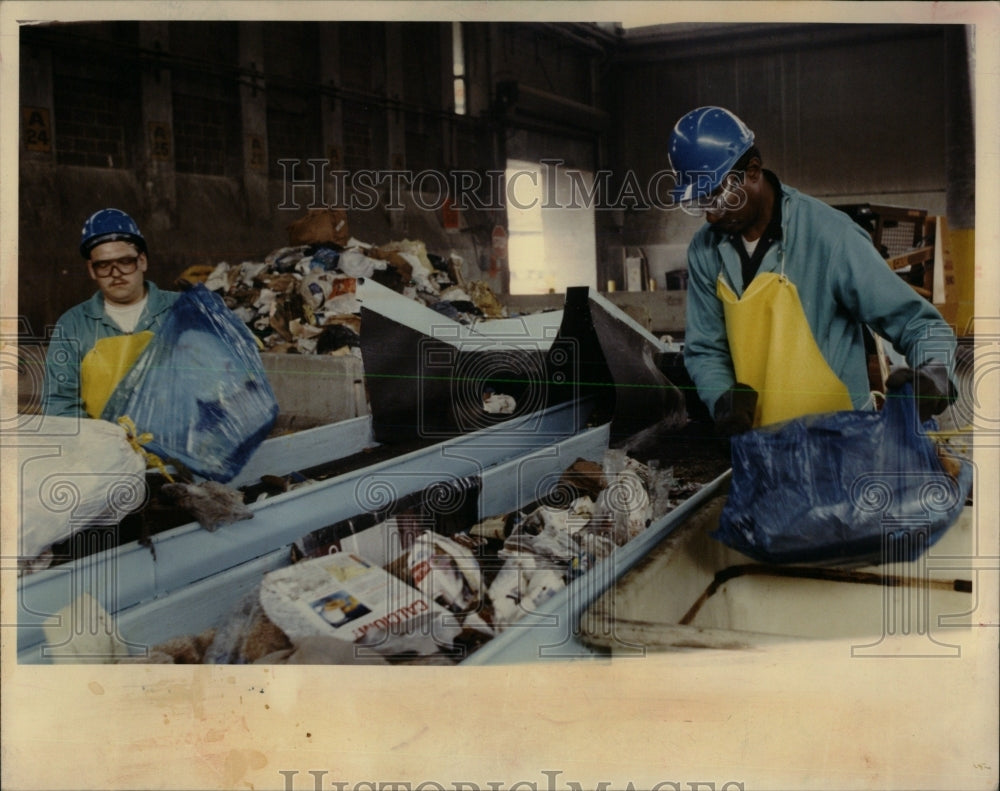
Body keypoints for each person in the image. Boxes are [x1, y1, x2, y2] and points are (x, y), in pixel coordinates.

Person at [669, 106, 956, 435]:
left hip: (843, 447)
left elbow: (919, 324)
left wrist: (933, 375)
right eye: (701, 204)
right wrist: (722, 400)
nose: (711, 216)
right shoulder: (705, 250)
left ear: (752, 170)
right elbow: (706, 348)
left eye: (719, 200)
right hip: (762, 450)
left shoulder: (830, 237)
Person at [42, 208, 180, 418]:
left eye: (125, 262)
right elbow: (59, 403)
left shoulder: (181, 310)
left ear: (142, 261)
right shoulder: (74, 324)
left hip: (176, 447)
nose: (115, 274)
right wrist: (102, 445)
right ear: (91, 270)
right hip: (102, 448)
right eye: (104, 265)